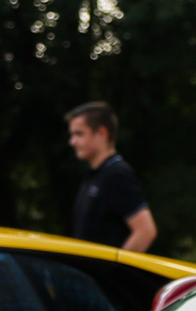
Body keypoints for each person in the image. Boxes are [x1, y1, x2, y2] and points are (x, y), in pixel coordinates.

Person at [66, 103, 156, 252]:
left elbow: (145, 231)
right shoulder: (94, 176)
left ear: (102, 133)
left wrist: (115, 270)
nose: (72, 142)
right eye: (72, 135)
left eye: (79, 134)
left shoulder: (116, 174)